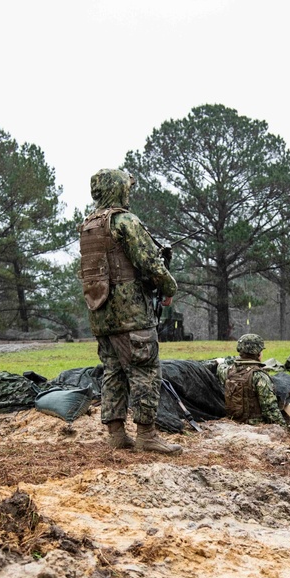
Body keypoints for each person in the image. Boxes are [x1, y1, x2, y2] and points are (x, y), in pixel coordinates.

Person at [79, 168, 182, 454]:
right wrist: (168, 287)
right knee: (146, 370)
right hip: (131, 314)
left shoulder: (88, 225)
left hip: (100, 313)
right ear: (119, 189)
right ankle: (147, 436)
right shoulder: (125, 221)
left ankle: (116, 434)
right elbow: (149, 263)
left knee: (113, 371)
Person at [216, 334, 286, 425]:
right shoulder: (259, 376)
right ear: (258, 353)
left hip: (232, 424)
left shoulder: (228, 371)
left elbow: (220, 368)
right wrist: (283, 428)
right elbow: (270, 410)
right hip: (255, 427)